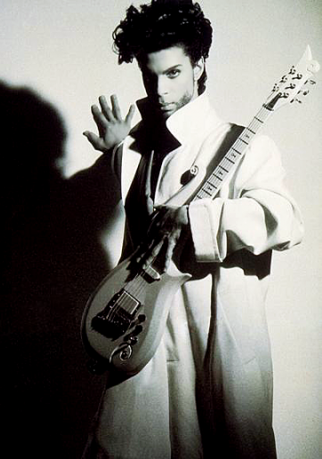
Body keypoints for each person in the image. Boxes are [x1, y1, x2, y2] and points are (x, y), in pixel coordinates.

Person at [82, 1, 303, 458]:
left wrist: (195, 218)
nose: (160, 90)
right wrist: (116, 152)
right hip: (141, 336)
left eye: (174, 73)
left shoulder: (247, 146)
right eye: (150, 75)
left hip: (211, 340)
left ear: (200, 65)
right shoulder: (139, 149)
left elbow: (284, 218)